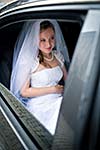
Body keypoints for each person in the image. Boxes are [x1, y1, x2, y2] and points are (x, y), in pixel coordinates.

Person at [10, 19, 70, 135]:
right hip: (40, 105)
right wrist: (53, 89)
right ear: (34, 40)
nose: (48, 44)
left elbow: (69, 81)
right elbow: (24, 91)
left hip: (60, 99)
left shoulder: (57, 56)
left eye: (52, 38)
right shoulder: (30, 60)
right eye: (43, 40)